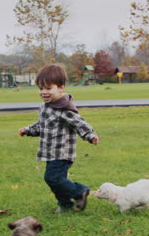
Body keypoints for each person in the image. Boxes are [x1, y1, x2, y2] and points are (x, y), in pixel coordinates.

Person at [18, 64, 99, 213]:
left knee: (53, 178)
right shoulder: (45, 106)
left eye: (48, 88)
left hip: (62, 153)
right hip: (50, 152)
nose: (44, 92)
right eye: (41, 88)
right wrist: (28, 130)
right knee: (55, 181)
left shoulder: (64, 109)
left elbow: (79, 124)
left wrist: (90, 135)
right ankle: (65, 204)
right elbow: (41, 126)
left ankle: (80, 191)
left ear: (61, 87)